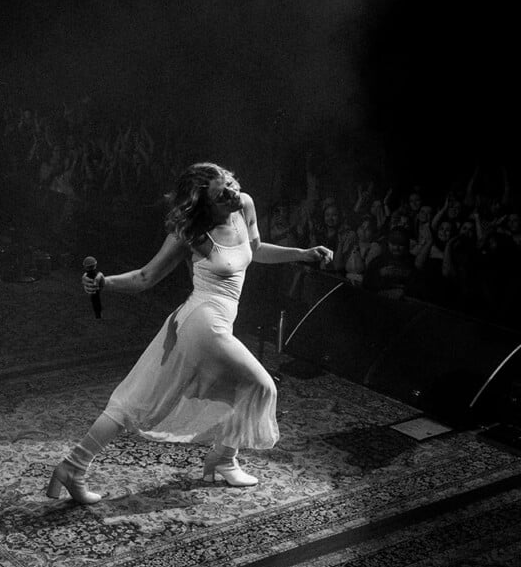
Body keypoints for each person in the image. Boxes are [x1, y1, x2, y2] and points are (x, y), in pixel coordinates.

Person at [46, 161, 334, 504]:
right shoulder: (191, 234)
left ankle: (73, 466)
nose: (232, 192)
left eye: (230, 182)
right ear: (203, 203)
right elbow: (145, 278)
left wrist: (302, 254)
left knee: (140, 397)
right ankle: (223, 459)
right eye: (221, 193)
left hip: (213, 323)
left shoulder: (245, 205)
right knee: (261, 385)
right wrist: (103, 282)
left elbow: (255, 250)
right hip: (202, 323)